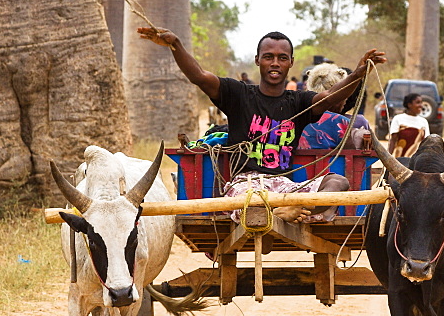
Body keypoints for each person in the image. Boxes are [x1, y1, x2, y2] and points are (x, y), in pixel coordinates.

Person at [138, 26, 386, 222]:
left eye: (282, 58)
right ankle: (278, 213)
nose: (275, 63)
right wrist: (176, 45)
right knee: (250, 208)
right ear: (258, 60)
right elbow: (199, 77)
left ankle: (287, 210)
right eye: (268, 57)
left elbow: (331, 97)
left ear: (291, 63)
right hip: (246, 186)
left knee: (338, 182)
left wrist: (357, 73)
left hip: (284, 186)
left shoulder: (300, 101)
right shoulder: (238, 94)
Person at [298, 63, 371, 150]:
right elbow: (354, 159)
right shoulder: (342, 122)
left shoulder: (294, 118)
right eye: (344, 94)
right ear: (338, 95)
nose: (346, 99)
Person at [388, 93, 430, 158]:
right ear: (409, 104)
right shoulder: (398, 119)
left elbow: (426, 144)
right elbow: (393, 141)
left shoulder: (424, 122)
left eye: (421, 102)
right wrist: (388, 158)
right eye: (418, 102)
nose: (421, 105)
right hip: (400, 160)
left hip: (417, 162)